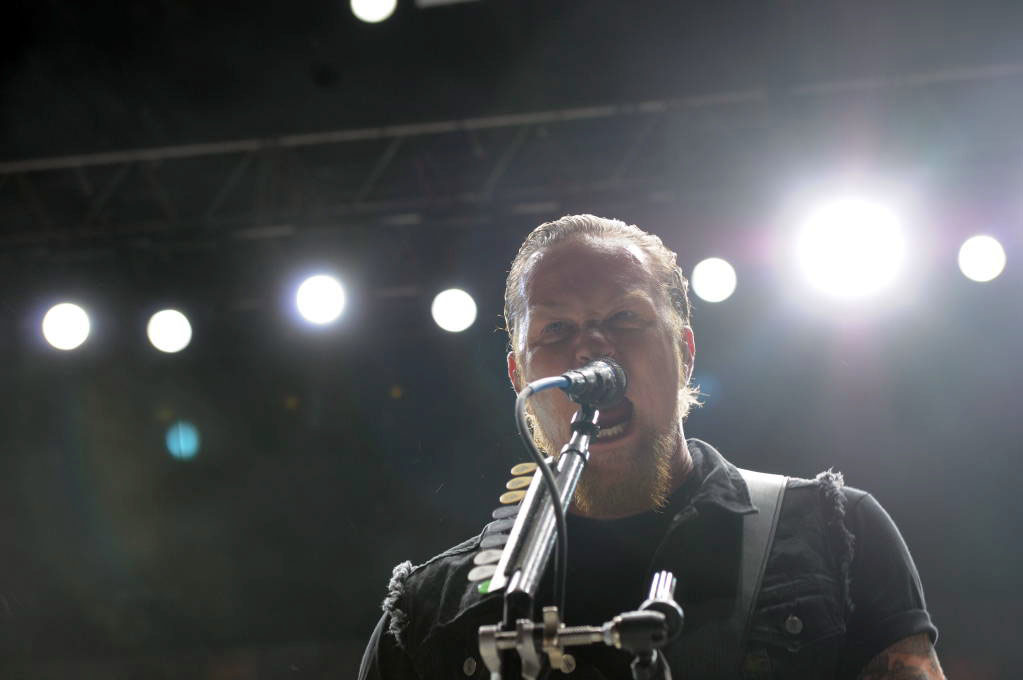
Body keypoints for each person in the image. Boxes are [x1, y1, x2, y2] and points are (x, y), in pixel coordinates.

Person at [359, 215, 944, 679]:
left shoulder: (835, 535)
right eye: (556, 329)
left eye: (625, 317)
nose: (592, 349)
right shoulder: (431, 613)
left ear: (684, 352)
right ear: (519, 377)